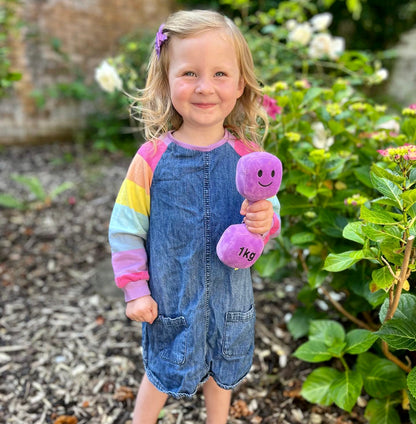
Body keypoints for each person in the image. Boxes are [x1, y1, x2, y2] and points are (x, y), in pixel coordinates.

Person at [108, 9, 281, 424]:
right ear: (167, 82)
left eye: (221, 74)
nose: (205, 87)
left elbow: (269, 216)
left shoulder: (248, 156)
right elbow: (126, 230)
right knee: (163, 368)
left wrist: (264, 223)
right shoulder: (151, 159)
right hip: (171, 300)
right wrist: (136, 290)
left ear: (241, 85)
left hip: (229, 300)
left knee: (222, 371)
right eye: (189, 73)